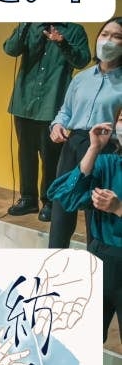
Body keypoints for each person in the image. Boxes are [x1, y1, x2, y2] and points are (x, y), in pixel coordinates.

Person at [47, 108, 122, 365]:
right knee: (83, 336)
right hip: (100, 259)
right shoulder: (107, 163)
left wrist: (119, 209)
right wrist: (93, 148)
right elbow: (63, 194)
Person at [3, 22, 90, 221]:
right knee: (26, 154)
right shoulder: (30, 25)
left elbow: (82, 60)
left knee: (51, 157)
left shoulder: (74, 30)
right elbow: (10, 49)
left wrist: (62, 43)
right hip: (24, 101)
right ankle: (28, 199)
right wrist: (25, 24)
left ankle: (50, 201)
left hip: (52, 101)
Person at [48, 17, 122, 248]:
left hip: (105, 149)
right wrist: (57, 125)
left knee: (97, 212)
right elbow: (66, 111)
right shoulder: (81, 78)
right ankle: (54, 259)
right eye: (104, 34)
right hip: (74, 144)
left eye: (116, 37)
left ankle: (97, 261)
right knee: (62, 208)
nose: (108, 41)